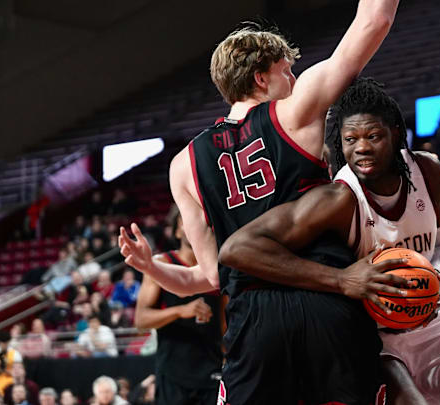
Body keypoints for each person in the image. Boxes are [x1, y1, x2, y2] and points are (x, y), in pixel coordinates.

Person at [119, 4, 402, 404]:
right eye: (286, 70)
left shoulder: (184, 164)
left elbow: (209, 277)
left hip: (254, 321)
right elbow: (374, 20)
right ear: (261, 77)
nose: (293, 78)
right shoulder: (296, 111)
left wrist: (150, 268)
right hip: (329, 295)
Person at [218, 78, 440, 405]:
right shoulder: (339, 198)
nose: (362, 148)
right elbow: (236, 249)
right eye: (350, 139)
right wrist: (341, 279)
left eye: (373, 136)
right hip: (374, 339)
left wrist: (431, 277)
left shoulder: (427, 171)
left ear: (396, 134)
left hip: (430, 328)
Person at [134, 211, 223, 405]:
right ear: (177, 231)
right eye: (185, 221)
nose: (194, 225)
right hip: (173, 370)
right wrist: (180, 311)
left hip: (212, 367)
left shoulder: (219, 267)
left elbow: (225, 323)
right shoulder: (161, 264)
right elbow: (141, 320)